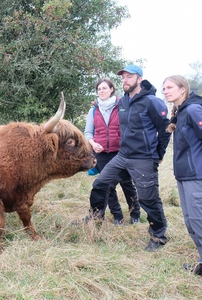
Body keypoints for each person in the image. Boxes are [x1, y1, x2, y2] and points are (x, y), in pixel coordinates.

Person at [84, 65, 171, 252]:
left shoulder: (151, 102)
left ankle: (158, 236)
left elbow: (165, 129)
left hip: (143, 158)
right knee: (100, 184)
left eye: (129, 77)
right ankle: (95, 217)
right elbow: (103, 107)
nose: (125, 80)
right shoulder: (122, 102)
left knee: (149, 198)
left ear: (139, 79)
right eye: (123, 77)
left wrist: (158, 155)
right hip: (122, 156)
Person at [84, 78, 140, 225]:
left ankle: (135, 215)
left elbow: (129, 128)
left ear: (112, 90)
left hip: (121, 152)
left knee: (127, 184)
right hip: (101, 154)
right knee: (108, 186)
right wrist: (93, 143)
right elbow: (88, 132)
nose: (101, 91)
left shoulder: (121, 106)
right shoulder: (94, 110)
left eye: (104, 88)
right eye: (99, 89)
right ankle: (118, 216)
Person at [163, 75, 202, 276]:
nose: (165, 91)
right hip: (184, 175)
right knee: (190, 220)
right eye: (164, 88)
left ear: (182, 89)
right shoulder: (180, 112)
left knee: (198, 219)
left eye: (170, 87)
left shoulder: (194, 110)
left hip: (197, 175)